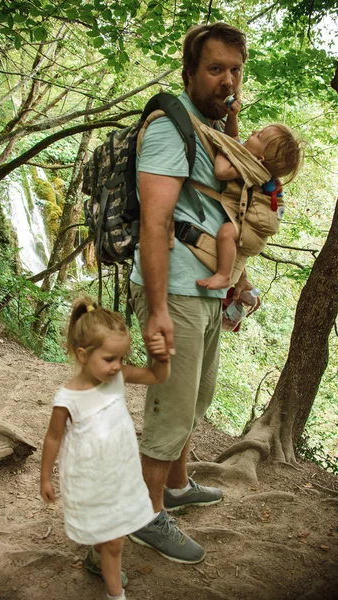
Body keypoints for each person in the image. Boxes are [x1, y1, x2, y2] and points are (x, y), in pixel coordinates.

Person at [129, 22, 255, 563]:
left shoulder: (209, 128)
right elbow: (154, 224)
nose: (227, 80)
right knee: (170, 411)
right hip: (174, 294)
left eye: (234, 70)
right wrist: (156, 309)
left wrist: (230, 119)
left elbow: (213, 203)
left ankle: (176, 488)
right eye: (215, 69)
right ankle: (141, 514)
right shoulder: (168, 127)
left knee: (194, 401)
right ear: (189, 72)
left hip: (201, 292)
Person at [40, 297, 170, 600]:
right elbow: (53, 438)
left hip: (119, 472)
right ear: (84, 355)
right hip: (88, 478)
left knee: (110, 536)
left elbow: (157, 376)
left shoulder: (118, 377)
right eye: (110, 359)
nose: (117, 366)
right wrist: (46, 477)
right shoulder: (67, 399)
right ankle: (116, 595)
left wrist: (162, 357)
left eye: (121, 359)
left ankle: (99, 555)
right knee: (115, 543)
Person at [197, 98, 303, 289]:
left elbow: (221, 172)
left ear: (260, 159)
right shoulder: (250, 156)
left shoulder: (252, 170)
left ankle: (223, 275)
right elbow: (234, 135)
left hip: (253, 233)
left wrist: (224, 147)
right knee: (227, 231)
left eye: (259, 136)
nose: (253, 132)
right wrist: (232, 117)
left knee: (226, 232)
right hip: (248, 222)